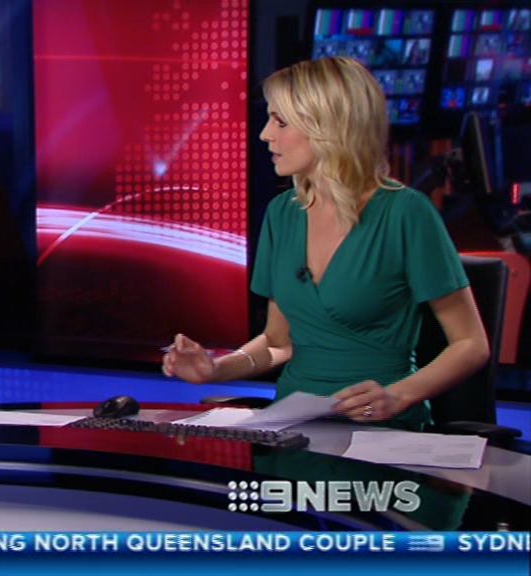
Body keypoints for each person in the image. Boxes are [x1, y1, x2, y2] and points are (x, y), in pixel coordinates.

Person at [162, 57, 489, 431]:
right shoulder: (282, 213)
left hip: (381, 432)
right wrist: (215, 369)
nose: (265, 134)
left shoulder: (406, 213)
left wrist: (398, 396)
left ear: (329, 127)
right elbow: (278, 343)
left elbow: (471, 343)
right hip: (294, 428)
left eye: (280, 122)